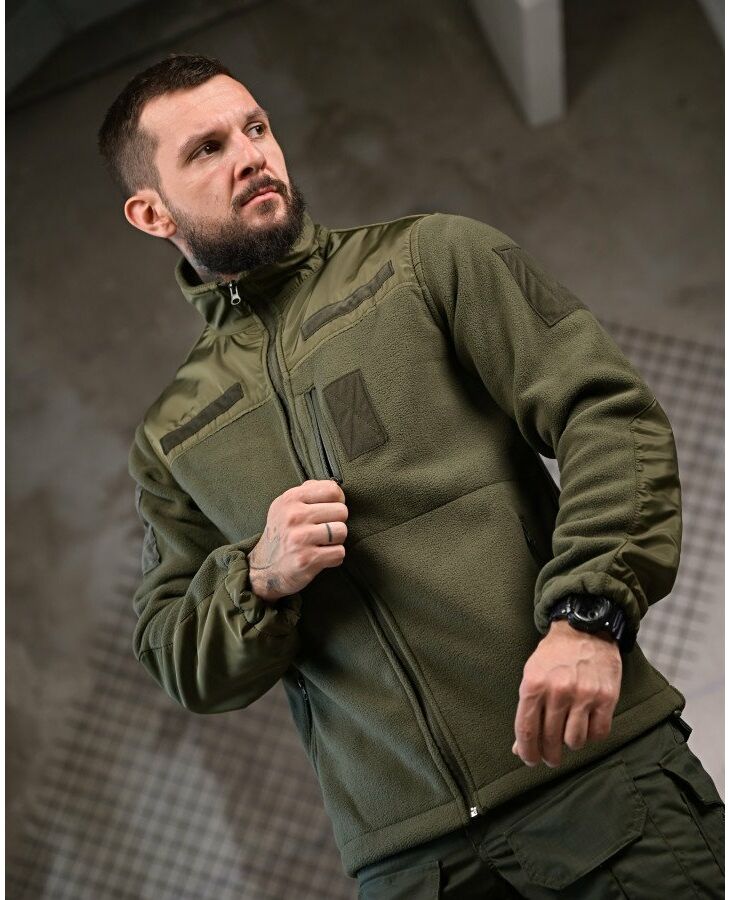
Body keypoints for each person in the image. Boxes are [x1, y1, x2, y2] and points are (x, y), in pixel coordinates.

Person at [98, 53, 724, 897]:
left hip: (596, 786)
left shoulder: (429, 263)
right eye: (207, 149)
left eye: (256, 128)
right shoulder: (173, 435)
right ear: (150, 211)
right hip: (412, 867)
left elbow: (608, 415)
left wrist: (589, 615)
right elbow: (176, 654)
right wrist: (258, 578)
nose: (251, 156)